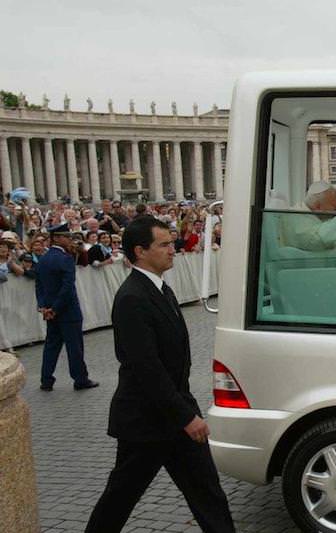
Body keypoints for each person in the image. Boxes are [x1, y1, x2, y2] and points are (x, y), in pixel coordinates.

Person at [85, 216, 236, 533]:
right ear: (140, 251)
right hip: (147, 423)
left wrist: (184, 411)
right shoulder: (131, 298)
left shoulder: (160, 289)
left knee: (208, 495)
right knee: (119, 499)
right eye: (164, 244)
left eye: (171, 243)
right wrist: (186, 417)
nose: (173, 249)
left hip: (174, 415)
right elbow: (146, 368)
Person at [34, 223, 98, 391]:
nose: (70, 240)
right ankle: (80, 379)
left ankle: (46, 380)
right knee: (74, 346)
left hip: (50, 311)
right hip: (67, 310)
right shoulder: (65, 259)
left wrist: (44, 307)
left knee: (51, 346)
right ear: (56, 238)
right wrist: (55, 308)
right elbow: (67, 288)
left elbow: (39, 286)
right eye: (66, 237)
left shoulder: (43, 259)